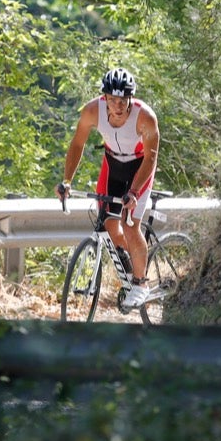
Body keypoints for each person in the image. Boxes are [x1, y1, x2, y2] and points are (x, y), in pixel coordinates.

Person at [56, 66, 161, 309]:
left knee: (129, 223)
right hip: (112, 162)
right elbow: (77, 144)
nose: (118, 105)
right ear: (104, 99)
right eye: (112, 100)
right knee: (108, 221)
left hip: (139, 167)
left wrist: (134, 193)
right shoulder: (93, 111)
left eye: (123, 99)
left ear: (130, 98)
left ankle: (141, 283)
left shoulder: (145, 117)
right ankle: (129, 258)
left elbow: (150, 158)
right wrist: (67, 181)